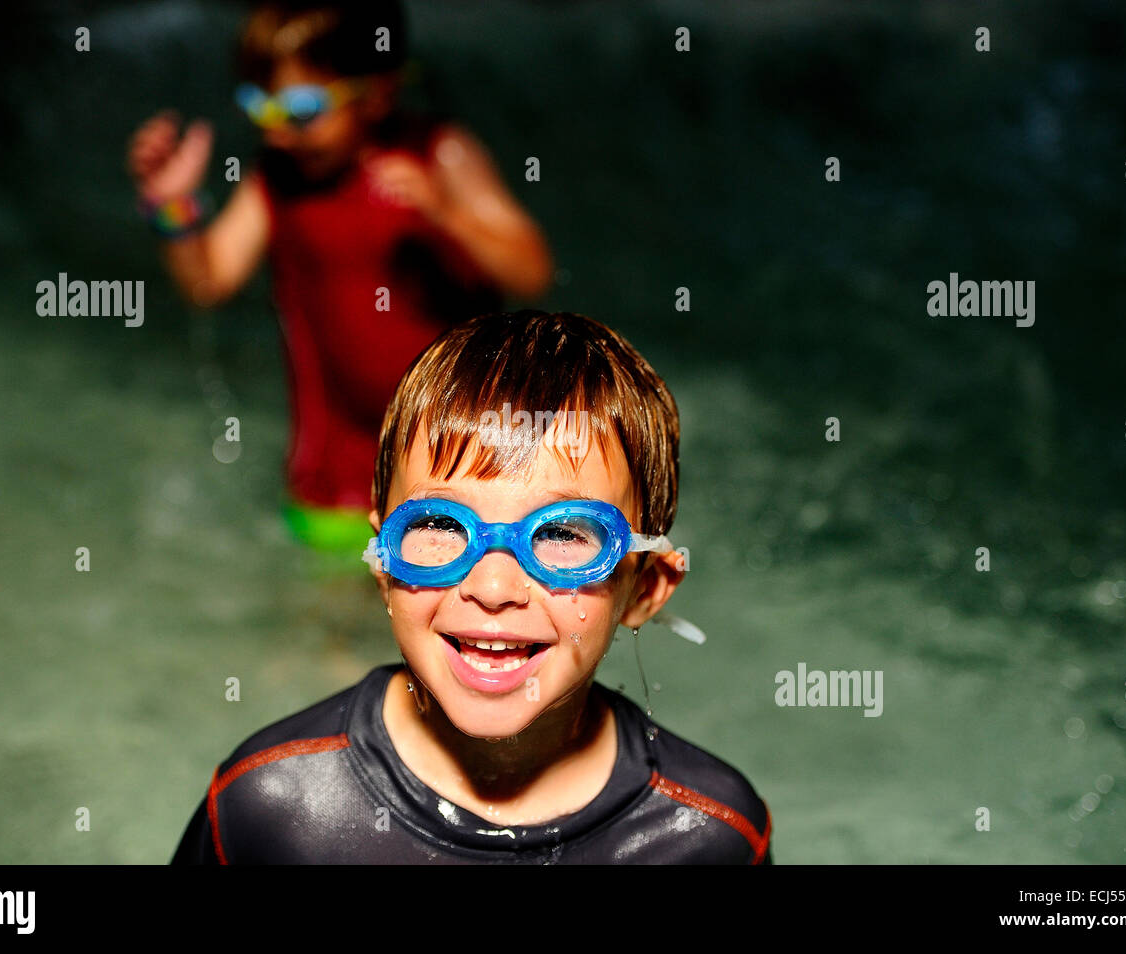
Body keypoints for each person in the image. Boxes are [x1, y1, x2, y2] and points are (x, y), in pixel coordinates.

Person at [172, 310, 772, 863]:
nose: (492, 586)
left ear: (646, 587)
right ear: (382, 562)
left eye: (562, 533)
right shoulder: (270, 807)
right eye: (439, 525)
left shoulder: (710, 837)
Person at [126, 1, 553, 553]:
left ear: (377, 93)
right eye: (260, 107)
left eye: (301, 111)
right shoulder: (278, 179)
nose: (278, 132)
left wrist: (448, 215)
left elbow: (532, 271)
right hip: (329, 475)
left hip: (459, 464)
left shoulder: (439, 156)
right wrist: (174, 206)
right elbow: (209, 282)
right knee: (323, 631)